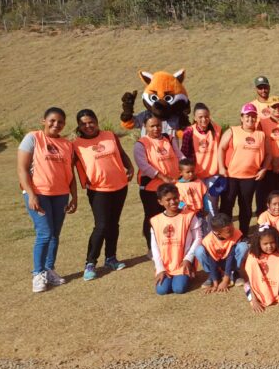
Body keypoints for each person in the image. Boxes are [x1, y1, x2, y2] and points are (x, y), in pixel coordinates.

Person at [17, 107, 78, 293]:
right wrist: (31, 194)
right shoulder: (33, 138)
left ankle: (49, 269)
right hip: (39, 193)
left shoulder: (68, 145)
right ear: (44, 120)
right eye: (52, 120)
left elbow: (71, 174)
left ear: (64, 124)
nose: (55, 124)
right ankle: (38, 274)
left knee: (55, 235)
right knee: (44, 233)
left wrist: (74, 196)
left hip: (60, 195)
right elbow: (22, 169)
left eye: (60, 122)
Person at [73, 109, 133, 281]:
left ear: (97, 121)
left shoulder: (110, 135)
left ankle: (111, 258)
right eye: (83, 123)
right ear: (79, 126)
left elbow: (121, 154)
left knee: (114, 223)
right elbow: (66, 165)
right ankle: (90, 262)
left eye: (91, 121)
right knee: (101, 225)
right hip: (98, 190)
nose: (88, 126)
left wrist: (130, 167)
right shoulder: (76, 145)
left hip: (120, 186)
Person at [217, 103, 269, 235]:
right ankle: (225, 234)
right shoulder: (232, 131)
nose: (250, 119)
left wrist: (263, 169)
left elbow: (269, 154)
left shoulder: (261, 135)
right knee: (227, 206)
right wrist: (222, 167)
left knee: (245, 208)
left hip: (250, 178)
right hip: (231, 176)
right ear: (241, 117)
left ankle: (243, 234)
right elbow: (221, 148)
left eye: (253, 116)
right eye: (247, 116)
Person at [134, 113, 182, 251]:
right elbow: (144, 166)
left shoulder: (169, 138)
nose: (156, 128)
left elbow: (179, 155)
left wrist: (187, 169)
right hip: (151, 188)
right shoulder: (141, 144)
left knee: (169, 215)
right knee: (152, 217)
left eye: (158, 125)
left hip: (171, 186)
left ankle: (169, 243)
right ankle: (152, 248)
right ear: (145, 127)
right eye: (152, 126)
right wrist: (163, 177)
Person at [150, 184, 201, 295]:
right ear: (160, 202)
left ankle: (187, 274)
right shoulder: (155, 221)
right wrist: (160, 269)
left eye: (175, 198)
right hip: (166, 265)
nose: (173, 202)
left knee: (179, 289)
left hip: (183, 263)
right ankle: (170, 275)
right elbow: (154, 247)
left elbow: (198, 238)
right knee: (162, 290)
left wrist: (188, 258)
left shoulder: (190, 216)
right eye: (168, 200)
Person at [180, 103, 221, 215]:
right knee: (200, 204)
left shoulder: (217, 129)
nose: (204, 119)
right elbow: (184, 154)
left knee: (212, 203)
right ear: (195, 118)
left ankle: (213, 230)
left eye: (206, 116)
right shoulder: (189, 132)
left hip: (214, 174)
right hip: (196, 175)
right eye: (200, 117)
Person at [244, 225, 279, 312]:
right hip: (260, 286)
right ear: (258, 243)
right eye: (265, 244)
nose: (269, 246)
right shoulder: (253, 257)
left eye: (272, 242)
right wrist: (254, 301)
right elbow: (253, 280)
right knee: (247, 286)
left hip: (277, 285)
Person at [195, 213, 248, 293]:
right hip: (215, 262)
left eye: (233, 227)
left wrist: (225, 281)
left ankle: (234, 273)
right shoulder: (208, 241)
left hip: (230, 261)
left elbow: (231, 257)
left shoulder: (235, 233)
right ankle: (213, 275)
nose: (233, 231)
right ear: (217, 233)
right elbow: (211, 261)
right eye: (229, 231)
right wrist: (215, 284)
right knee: (199, 251)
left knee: (243, 246)